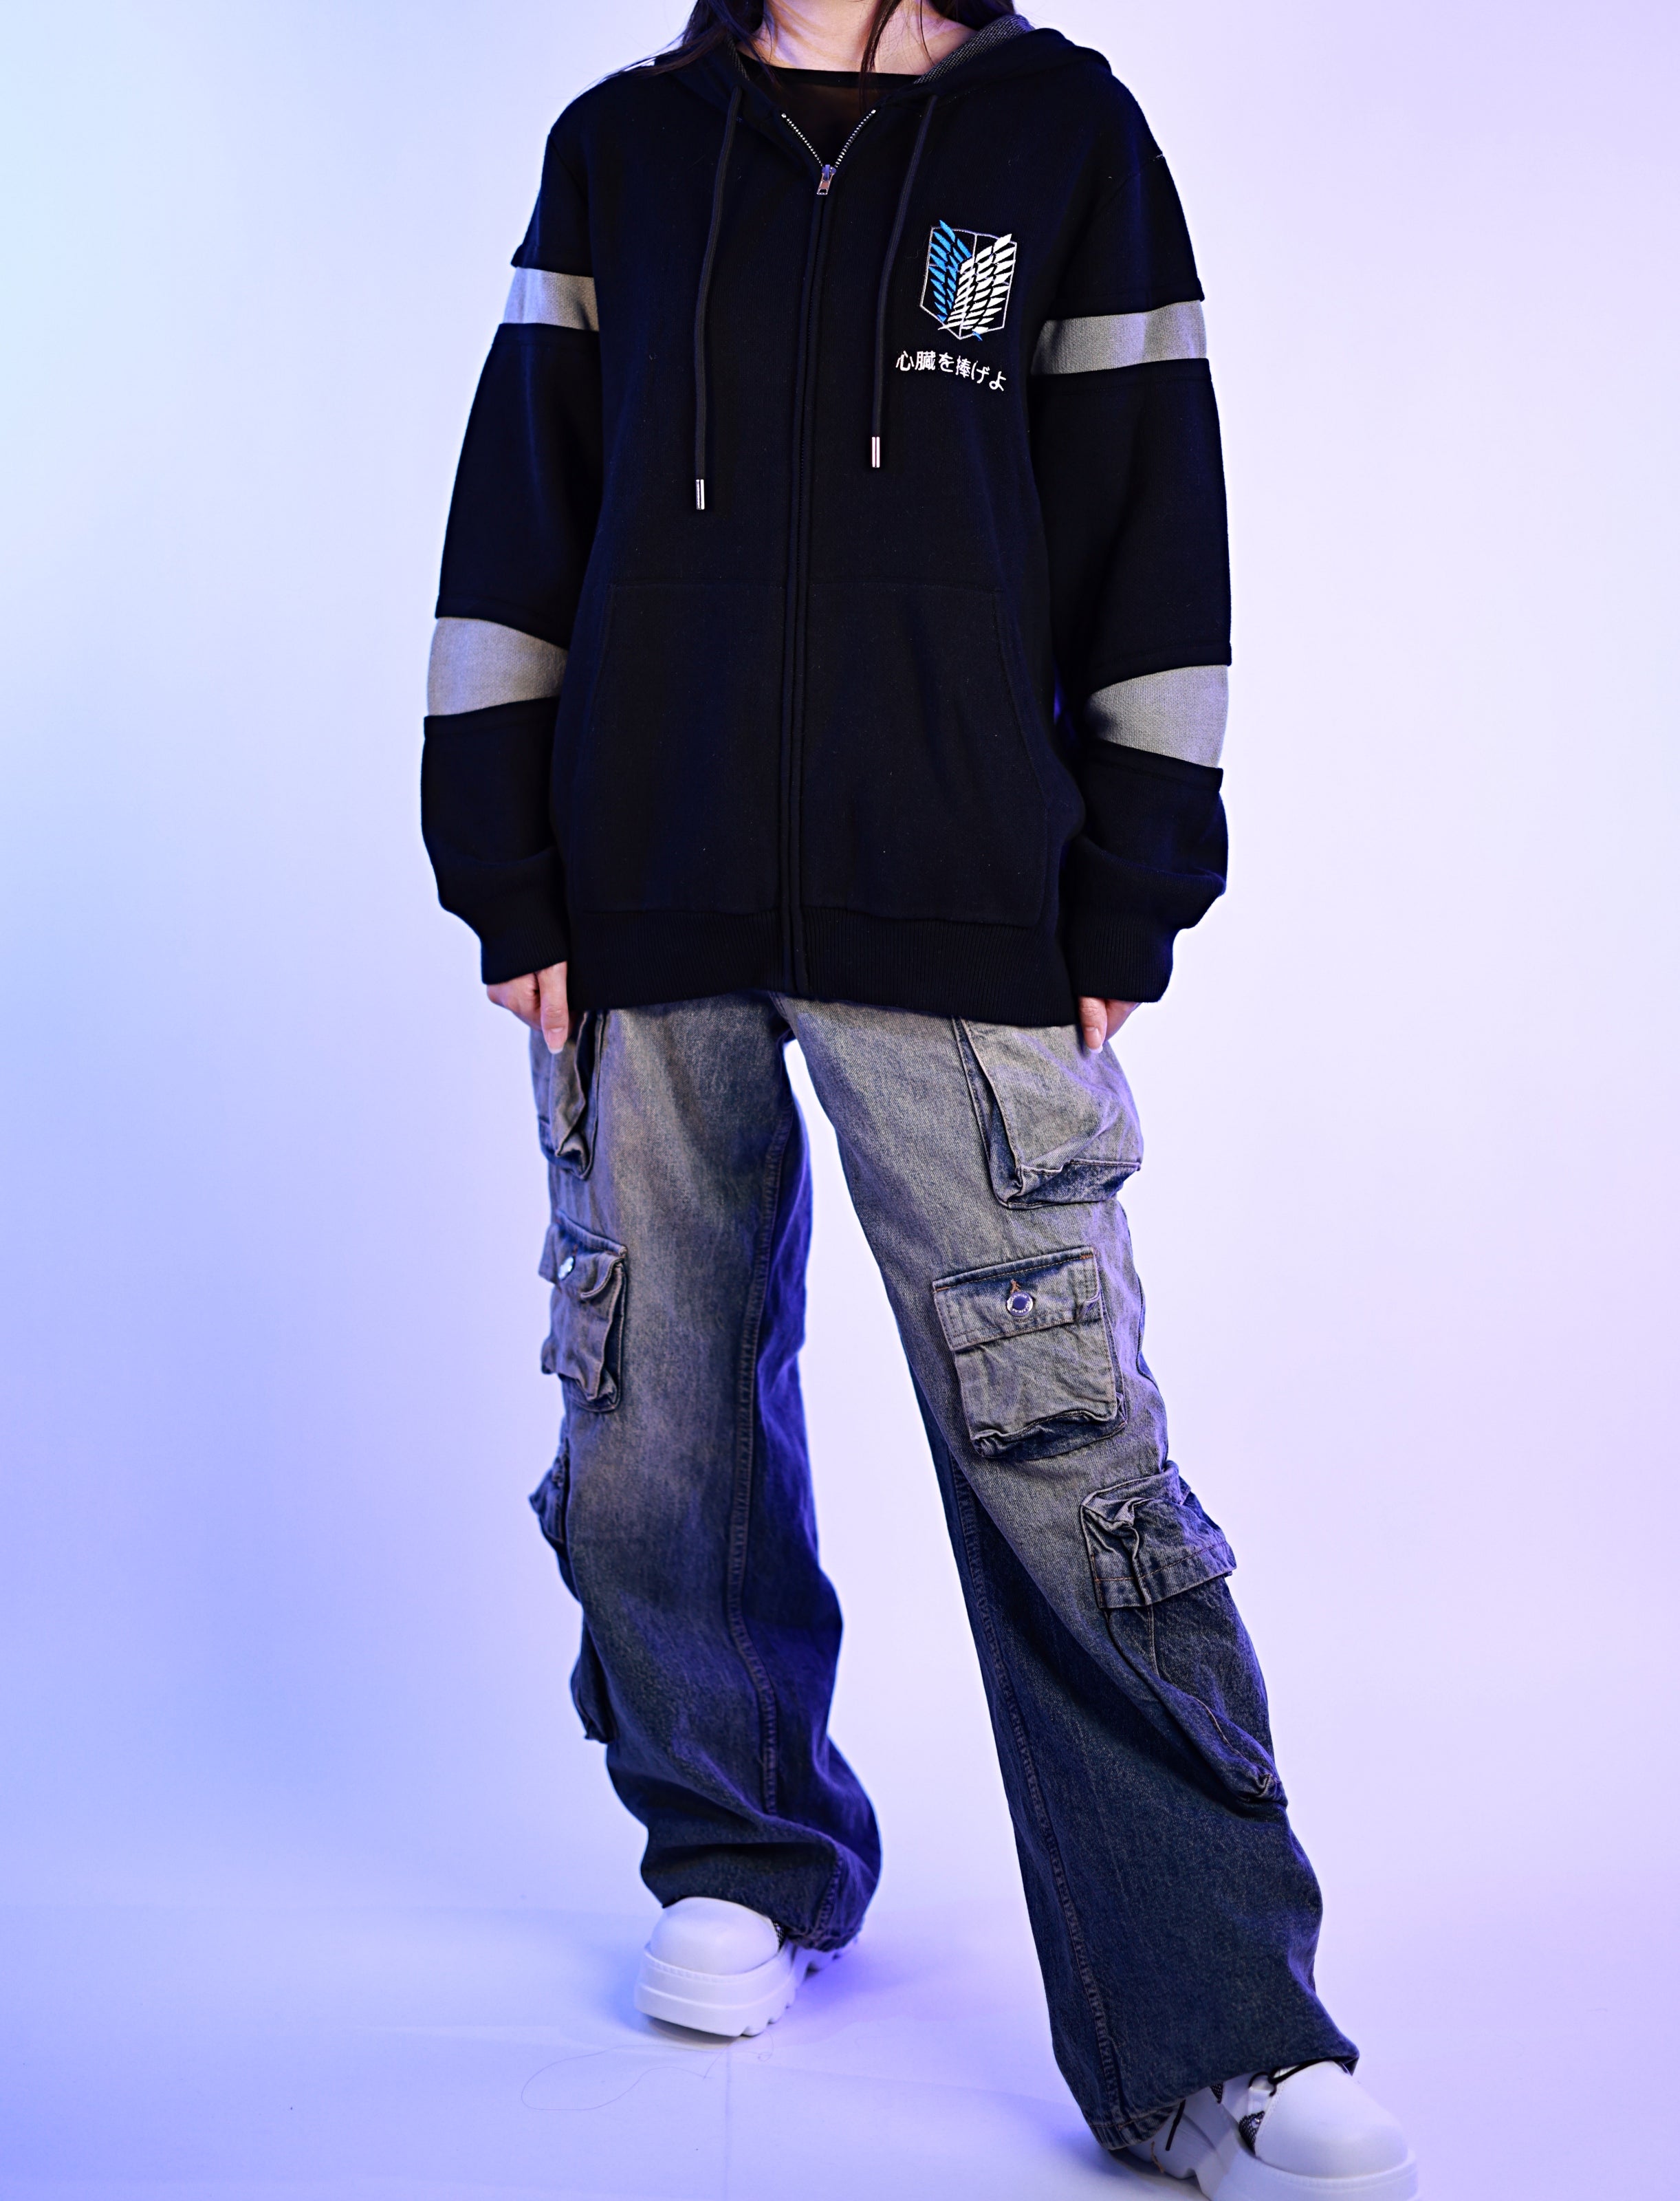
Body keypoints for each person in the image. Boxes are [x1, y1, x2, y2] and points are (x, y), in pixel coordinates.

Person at [421, 1, 1418, 2191]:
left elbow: (1153, 522)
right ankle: (743, 1848)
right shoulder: (624, 150)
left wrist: (1132, 873)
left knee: (1061, 1447)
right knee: (650, 1418)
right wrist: (503, 862)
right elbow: (520, 509)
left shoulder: (1062, 138)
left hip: (964, 898)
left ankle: (1210, 2031)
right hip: (643, 879)